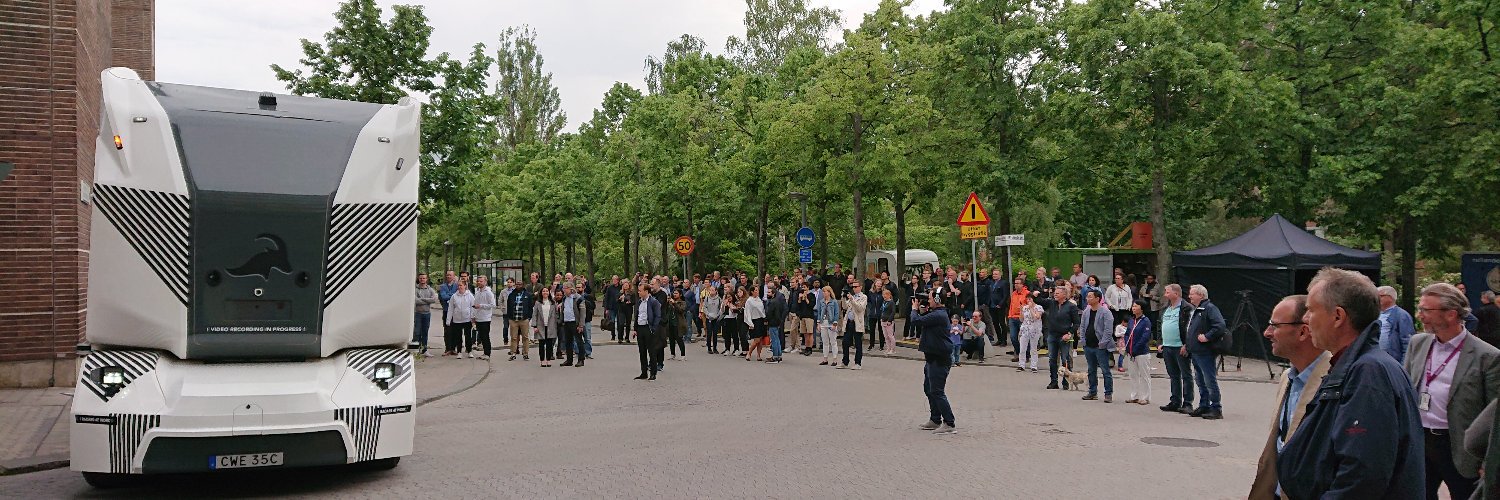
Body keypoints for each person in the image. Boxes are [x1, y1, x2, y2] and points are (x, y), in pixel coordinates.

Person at [1277, 267, 1424, 499]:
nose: (1305, 319)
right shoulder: (1358, 366)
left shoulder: (1368, 373)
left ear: (1338, 316)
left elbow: (1361, 475)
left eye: (1311, 310)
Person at [1403, 283, 1500, 500]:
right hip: (1420, 441)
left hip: (1458, 445)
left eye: (1426, 310)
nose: (1420, 315)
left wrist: (1488, 461)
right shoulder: (1417, 343)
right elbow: (1406, 391)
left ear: (1451, 314)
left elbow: (1494, 417)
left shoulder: (1487, 356)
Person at [1248, 294, 1331, 500]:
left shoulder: (1335, 381)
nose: (1267, 333)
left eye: (1275, 326)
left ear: (1303, 331)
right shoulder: (1288, 377)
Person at [912, 292, 957, 434]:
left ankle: (949, 423)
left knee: (937, 391)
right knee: (928, 389)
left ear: (937, 300)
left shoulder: (939, 315)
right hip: (932, 357)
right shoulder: (936, 314)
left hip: (939, 358)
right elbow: (925, 320)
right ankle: (935, 419)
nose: (929, 300)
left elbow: (916, 321)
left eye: (931, 298)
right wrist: (923, 311)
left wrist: (914, 309)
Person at [1184, 284, 1227, 419]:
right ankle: (1204, 405)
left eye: (1192, 294)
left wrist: (1207, 336)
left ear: (1201, 295)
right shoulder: (1197, 310)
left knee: (1209, 380)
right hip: (1196, 351)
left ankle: (1216, 407)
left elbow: (1220, 326)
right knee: (1200, 380)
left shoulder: (1210, 308)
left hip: (1205, 351)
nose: (1189, 296)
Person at [1158, 284, 1195, 413]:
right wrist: (1160, 342)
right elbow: (1160, 325)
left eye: (1167, 292)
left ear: (1176, 293)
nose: (1165, 294)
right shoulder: (1166, 308)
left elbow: (1190, 328)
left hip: (1180, 346)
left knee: (1186, 374)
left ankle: (1188, 403)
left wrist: (1186, 344)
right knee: (1173, 375)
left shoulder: (1186, 308)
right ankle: (1175, 401)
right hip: (1167, 346)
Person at [1037, 286, 1080, 390]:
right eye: (1055, 293)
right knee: (1052, 359)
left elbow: (1076, 323)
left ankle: (1066, 382)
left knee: (1066, 359)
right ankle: (1053, 381)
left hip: (1064, 336)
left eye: (1058, 293)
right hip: (1052, 335)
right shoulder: (1052, 303)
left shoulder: (1071, 306)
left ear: (1064, 295)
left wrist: (1069, 333)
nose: (1055, 294)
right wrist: (1037, 294)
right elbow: (1039, 301)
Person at [1078, 289, 1115, 403]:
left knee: (1105, 371)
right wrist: (1083, 340)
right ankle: (1092, 392)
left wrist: (1102, 343)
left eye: (1090, 297)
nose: (1087, 299)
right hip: (1088, 345)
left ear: (1097, 298)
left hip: (1100, 347)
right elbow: (1082, 326)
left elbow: (1108, 330)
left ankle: (1108, 393)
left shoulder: (1105, 312)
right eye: (1087, 296)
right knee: (1091, 370)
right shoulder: (1086, 311)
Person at [1121, 301, 1153, 405]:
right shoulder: (1131, 320)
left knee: (1144, 375)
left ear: (1142, 308)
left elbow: (1145, 337)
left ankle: (1145, 397)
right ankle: (1134, 396)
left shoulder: (1146, 321)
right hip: (1131, 352)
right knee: (1133, 375)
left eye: (1136, 306)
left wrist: (1136, 348)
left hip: (1142, 352)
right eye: (1133, 306)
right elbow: (1127, 334)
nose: (1133, 308)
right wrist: (1127, 345)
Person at [1377, 286, 1417, 361]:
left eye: (1380, 296)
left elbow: (1407, 342)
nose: (1377, 299)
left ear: (1391, 297)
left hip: (1392, 360)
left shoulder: (1401, 315)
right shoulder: (1375, 314)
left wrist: (1404, 365)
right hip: (1378, 360)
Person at [633, 284, 664, 380]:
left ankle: (653, 373)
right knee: (642, 351)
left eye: (640, 290)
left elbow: (658, 316)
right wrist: (635, 328)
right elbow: (637, 315)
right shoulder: (639, 302)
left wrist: (653, 328)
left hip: (648, 328)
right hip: (640, 328)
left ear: (646, 291)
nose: (638, 292)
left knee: (651, 351)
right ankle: (644, 372)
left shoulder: (653, 302)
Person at [839, 282, 868, 370]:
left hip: (857, 322)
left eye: (856, 287)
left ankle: (858, 363)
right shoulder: (852, 296)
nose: (854, 288)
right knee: (845, 342)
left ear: (860, 287)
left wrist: (852, 299)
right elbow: (845, 307)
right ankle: (845, 361)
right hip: (849, 322)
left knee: (858, 343)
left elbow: (860, 308)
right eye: (853, 287)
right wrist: (844, 297)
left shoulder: (863, 297)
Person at [446, 280, 476, 358]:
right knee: (458, 337)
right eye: (458, 285)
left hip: (467, 319)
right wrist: (448, 320)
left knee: (468, 336)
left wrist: (472, 318)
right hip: (457, 320)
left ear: (465, 286)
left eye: (461, 285)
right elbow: (450, 309)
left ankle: (469, 351)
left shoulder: (470, 296)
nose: (459, 287)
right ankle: (459, 351)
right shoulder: (454, 296)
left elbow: (472, 307)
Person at [505, 279, 532, 361]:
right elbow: (508, 306)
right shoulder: (511, 295)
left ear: (523, 285)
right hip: (513, 319)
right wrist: (509, 318)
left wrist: (529, 317)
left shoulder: (527, 295)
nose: (518, 285)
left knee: (525, 337)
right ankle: (513, 353)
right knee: (513, 337)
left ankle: (525, 353)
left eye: (520, 284)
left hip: (524, 319)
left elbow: (530, 307)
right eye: (517, 284)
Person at [559, 285, 586, 367]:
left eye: (565, 288)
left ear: (570, 289)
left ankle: (581, 359)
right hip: (566, 322)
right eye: (563, 288)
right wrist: (562, 320)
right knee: (568, 342)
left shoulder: (578, 298)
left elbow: (582, 312)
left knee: (579, 341)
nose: (563, 290)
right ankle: (569, 360)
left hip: (575, 322)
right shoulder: (564, 298)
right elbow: (563, 309)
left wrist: (581, 325)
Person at [532, 289, 560, 367]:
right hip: (540, 326)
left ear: (549, 293)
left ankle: (548, 359)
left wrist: (557, 322)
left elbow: (556, 314)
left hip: (551, 325)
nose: (545, 292)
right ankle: (542, 360)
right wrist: (534, 326)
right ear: (541, 293)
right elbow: (534, 314)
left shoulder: (553, 303)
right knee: (541, 344)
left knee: (549, 344)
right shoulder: (537, 303)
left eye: (546, 291)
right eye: (543, 291)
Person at [1016, 292, 1043, 372]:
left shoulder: (1038, 307)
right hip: (1025, 330)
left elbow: (1036, 317)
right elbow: (1021, 319)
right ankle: (1021, 365)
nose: (1028, 301)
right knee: (1022, 349)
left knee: (1033, 349)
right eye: (1027, 299)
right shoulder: (1025, 308)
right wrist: (1021, 311)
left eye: (1030, 299)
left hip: (1034, 330)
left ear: (1033, 299)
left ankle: (1034, 366)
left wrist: (1031, 308)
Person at [413, 273, 439, 356]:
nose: (422, 280)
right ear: (418, 279)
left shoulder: (430, 289)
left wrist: (422, 299)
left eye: (424, 278)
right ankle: (415, 351)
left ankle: (424, 350)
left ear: (426, 279)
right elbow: (415, 301)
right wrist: (428, 300)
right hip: (417, 314)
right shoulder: (415, 289)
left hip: (427, 314)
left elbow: (434, 299)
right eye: (421, 278)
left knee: (425, 333)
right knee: (417, 333)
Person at [472, 276, 496, 360]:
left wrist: (481, 306)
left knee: (485, 336)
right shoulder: (477, 292)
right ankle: (484, 352)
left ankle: (487, 353)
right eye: (478, 281)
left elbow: (492, 305)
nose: (479, 283)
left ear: (485, 282)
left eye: (481, 281)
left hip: (485, 318)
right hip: (478, 317)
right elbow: (475, 304)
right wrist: (473, 316)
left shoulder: (488, 293)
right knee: (481, 336)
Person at [816, 285, 841, 367]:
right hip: (823, 323)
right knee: (825, 342)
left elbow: (837, 313)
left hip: (831, 323)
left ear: (829, 292)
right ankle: (825, 359)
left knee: (833, 342)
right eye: (823, 292)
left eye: (825, 291)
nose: (824, 293)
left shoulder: (834, 302)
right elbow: (819, 312)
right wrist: (818, 323)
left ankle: (835, 359)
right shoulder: (821, 301)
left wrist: (835, 323)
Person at [744, 287, 768, 361]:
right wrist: (750, 323)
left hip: (761, 320)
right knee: (756, 339)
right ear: (752, 292)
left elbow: (762, 310)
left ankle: (758, 355)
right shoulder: (749, 301)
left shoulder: (759, 299)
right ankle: (749, 353)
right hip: (754, 320)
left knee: (760, 339)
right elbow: (747, 312)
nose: (757, 292)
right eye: (756, 290)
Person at [1008, 278, 1029, 362]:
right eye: (1015, 283)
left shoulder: (1027, 293)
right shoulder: (1013, 293)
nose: (1015, 285)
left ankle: (1026, 355)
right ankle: (1019, 353)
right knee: (1013, 337)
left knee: (1024, 338)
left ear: (1022, 284)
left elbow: (1030, 305)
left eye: (1018, 283)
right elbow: (1011, 305)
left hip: (1022, 318)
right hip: (1013, 317)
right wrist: (1010, 315)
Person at [765, 286, 787, 364]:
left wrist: (766, 320)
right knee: (777, 339)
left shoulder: (772, 302)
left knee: (774, 340)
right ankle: (779, 355)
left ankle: (775, 357)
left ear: (773, 293)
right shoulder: (777, 301)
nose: (767, 294)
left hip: (772, 322)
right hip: (777, 322)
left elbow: (769, 313)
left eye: (769, 292)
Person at [700, 286, 723, 354]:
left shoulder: (719, 299)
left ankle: (715, 348)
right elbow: (704, 307)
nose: (711, 291)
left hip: (716, 317)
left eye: (713, 290)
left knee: (715, 333)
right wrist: (708, 314)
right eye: (710, 290)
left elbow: (721, 308)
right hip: (709, 317)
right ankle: (709, 348)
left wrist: (718, 315)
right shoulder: (707, 298)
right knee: (709, 333)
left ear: (716, 291)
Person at [879, 288, 898, 355]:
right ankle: (888, 348)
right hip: (883, 320)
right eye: (883, 294)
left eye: (885, 294)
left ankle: (893, 349)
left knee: (890, 336)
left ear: (889, 295)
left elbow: (893, 312)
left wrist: (890, 320)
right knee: (886, 336)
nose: (884, 296)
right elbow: (882, 310)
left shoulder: (891, 302)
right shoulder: (884, 302)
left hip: (888, 321)